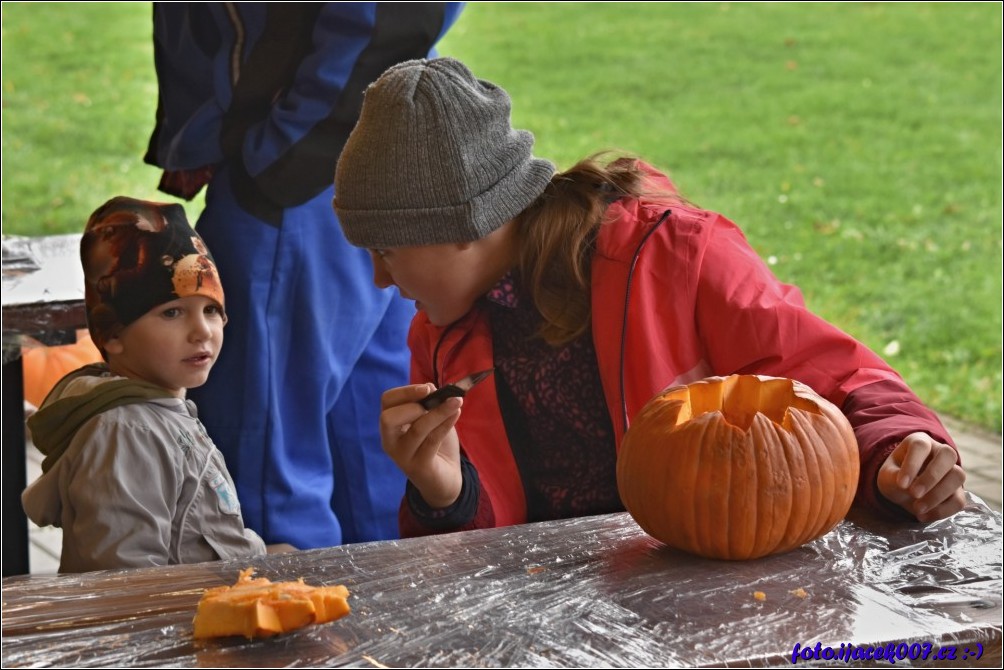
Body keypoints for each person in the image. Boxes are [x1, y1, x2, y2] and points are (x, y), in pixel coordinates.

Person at [332, 57, 968, 537]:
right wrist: (444, 494)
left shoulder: (677, 257)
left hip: (721, 591)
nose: (381, 280)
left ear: (466, 224)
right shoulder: (441, 337)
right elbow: (478, 565)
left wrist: (900, 453)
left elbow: (834, 378)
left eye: (386, 250)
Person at [143, 3, 465, 548]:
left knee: (268, 485)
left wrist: (290, 155)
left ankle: (297, 631)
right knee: (376, 445)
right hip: (329, 148)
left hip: (302, 167)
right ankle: (390, 626)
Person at [21, 197, 267, 572]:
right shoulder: (128, 432)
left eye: (211, 310)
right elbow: (125, 582)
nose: (201, 330)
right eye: (172, 312)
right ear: (114, 333)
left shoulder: (163, 411)